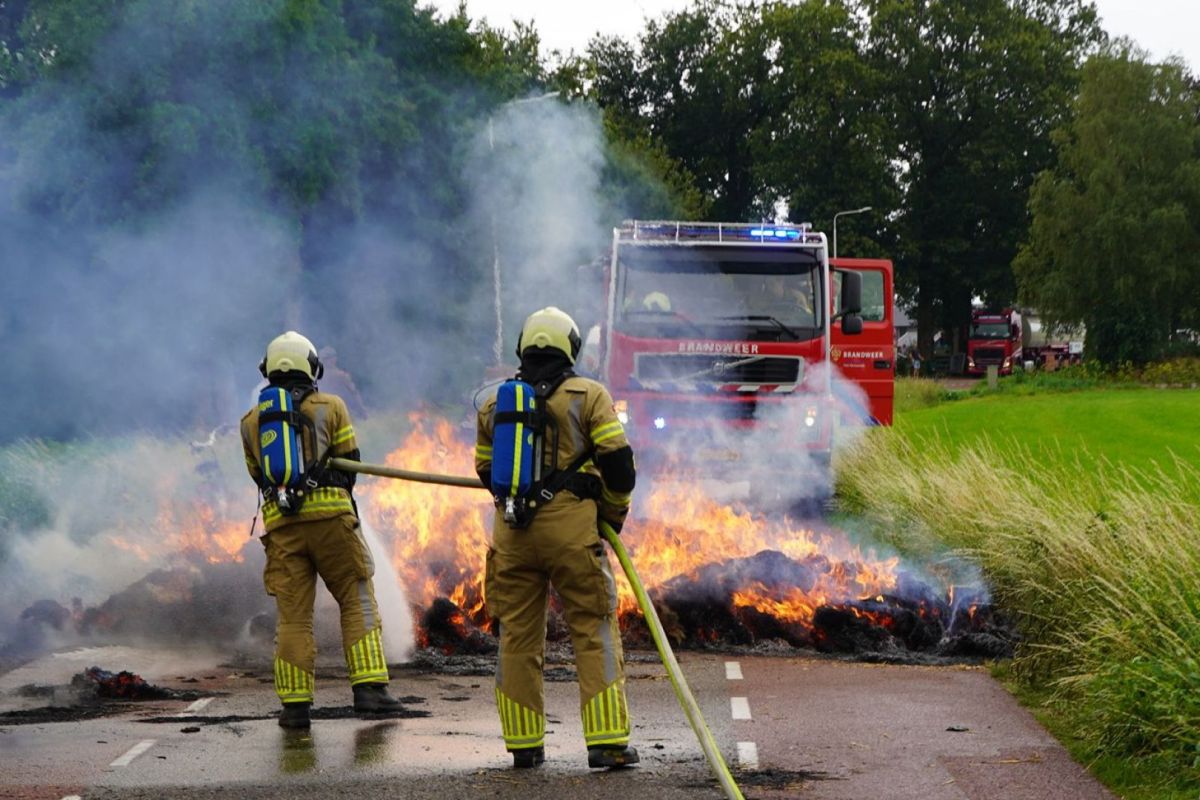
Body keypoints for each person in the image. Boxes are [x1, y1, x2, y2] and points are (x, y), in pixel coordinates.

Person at [475, 307, 639, 770]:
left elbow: (486, 469)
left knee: (517, 638)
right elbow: (619, 466)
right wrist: (611, 514)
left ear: (522, 348)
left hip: (512, 534)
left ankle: (524, 745)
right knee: (592, 627)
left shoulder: (493, 404)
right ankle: (607, 743)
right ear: (572, 348)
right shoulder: (589, 396)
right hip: (571, 533)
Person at [240, 331, 402, 729]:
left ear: (267, 370)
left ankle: (295, 706)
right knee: (356, 597)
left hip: (282, 527)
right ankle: (370, 690)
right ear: (312, 368)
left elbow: (258, 476)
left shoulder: (251, 422)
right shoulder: (331, 406)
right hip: (331, 521)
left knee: (293, 617)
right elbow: (351, 463)